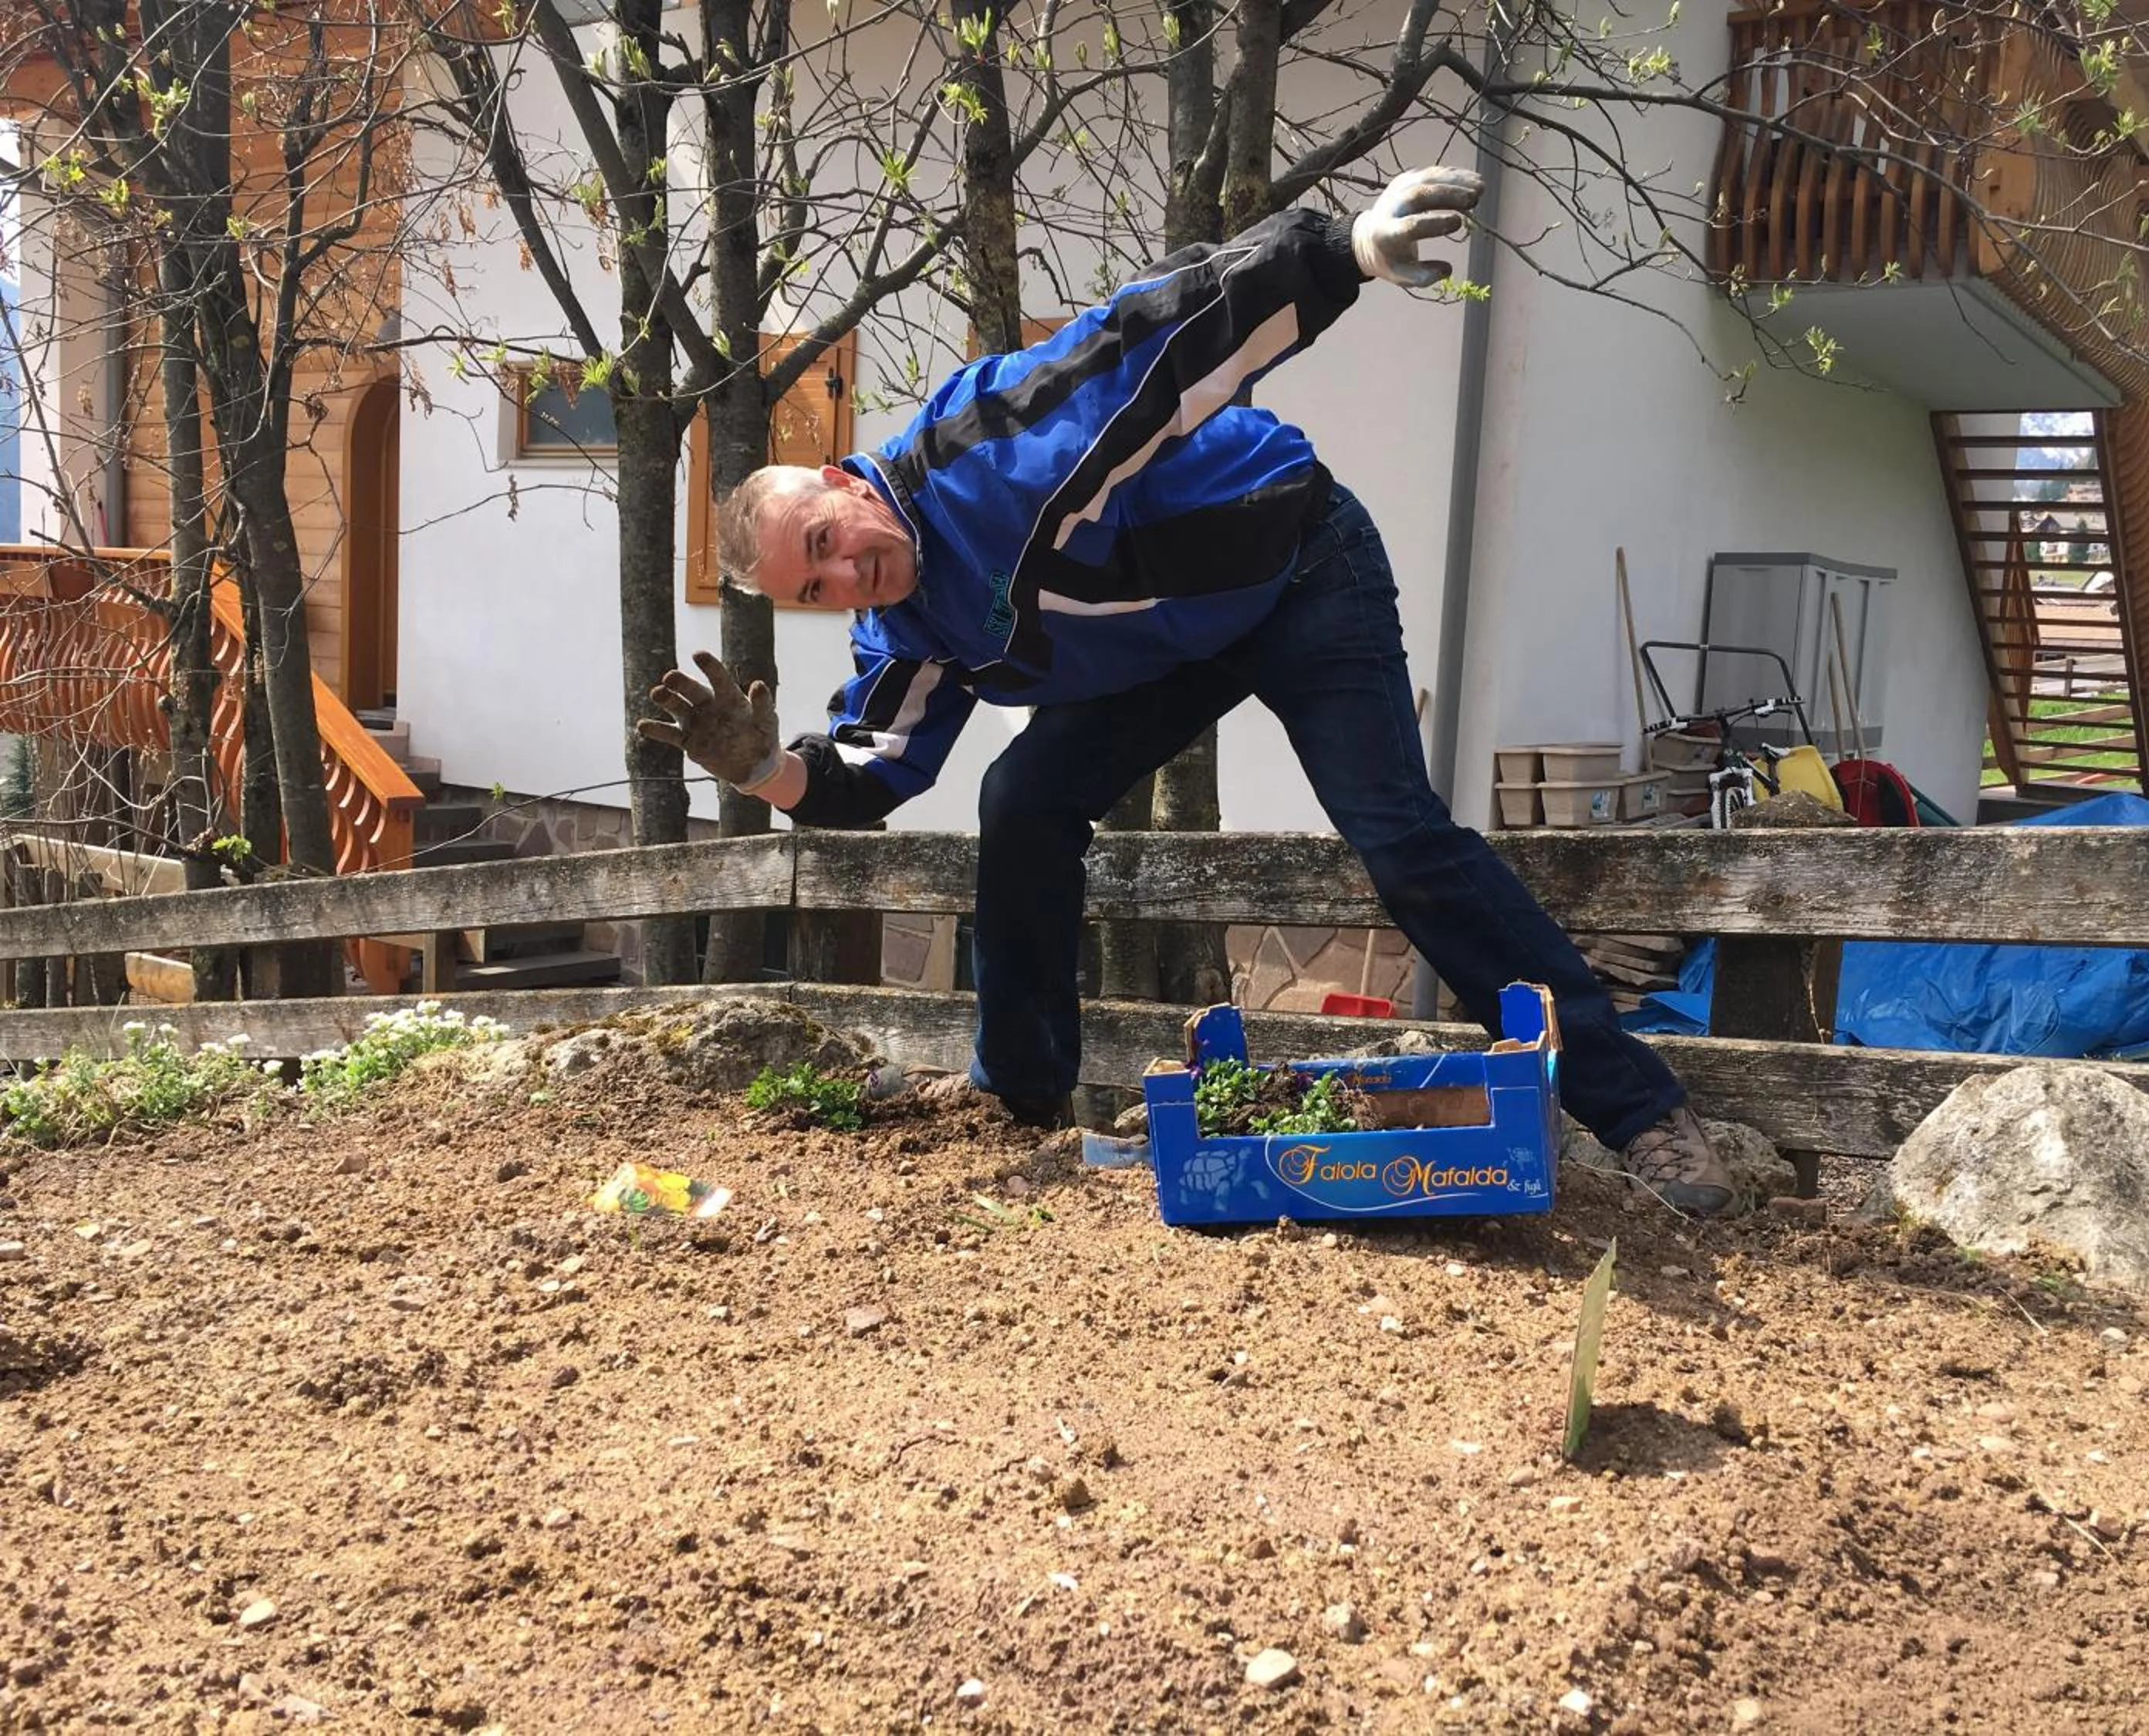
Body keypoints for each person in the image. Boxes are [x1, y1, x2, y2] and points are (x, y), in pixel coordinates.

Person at [640, 167, 1736, 1218]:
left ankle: (1641, 1108)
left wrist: (1345, 252)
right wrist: (764, 771)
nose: (845, 576)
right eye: (814, 586)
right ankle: (1017, 1093)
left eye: (828, 542)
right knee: (1020, 801)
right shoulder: (904, 629)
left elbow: (1150, 338)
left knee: (1396, 833)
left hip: (1296, 566)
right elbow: (876, 767)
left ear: (842, 478)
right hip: (1170, 655)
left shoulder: (988, 445)